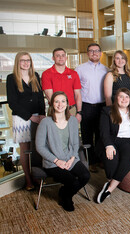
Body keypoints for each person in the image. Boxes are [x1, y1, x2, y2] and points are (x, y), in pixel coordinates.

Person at [35, 92, 90, 212]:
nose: (60, 104)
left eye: (63, 101)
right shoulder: (45, 122)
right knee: (72, 181)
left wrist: (71, 159)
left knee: (85, 176)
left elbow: (76, 143)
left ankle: (64, 193)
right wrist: (57, 161)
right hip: (52, 162)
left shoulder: (73, 121)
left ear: (67, 104)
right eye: (56, 101)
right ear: (51, 104)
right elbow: (39, 147)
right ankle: (67, 198)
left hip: (70, 158)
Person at [6, 52, 46, 191]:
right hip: (22, 118)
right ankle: (28, 179)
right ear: (17, 62)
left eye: (28, 60)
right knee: (25, 150)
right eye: (22, 60)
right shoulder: (11, 78)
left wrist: (42, 115)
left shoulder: (35, 76)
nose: (25, 63)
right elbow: (12, 103)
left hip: (37, 116)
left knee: (36, 148)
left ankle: (37, 176)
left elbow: (41, 98)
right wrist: (30, 116)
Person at [97, 88, 130, 204]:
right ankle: (111, 180)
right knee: (111, 160)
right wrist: (108, 145)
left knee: (128, 159)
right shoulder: (107, 111)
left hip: (128, 141)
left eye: (127, 97)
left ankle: (109, 189)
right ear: (116, 98)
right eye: (121, 97)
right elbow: (103, 131)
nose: (124, 99)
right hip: (112, 140)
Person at [75, 43, 108, 173]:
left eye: (97, 51)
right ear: (88, 53)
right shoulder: (80, 69)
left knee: (101, 135)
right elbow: (76, 90)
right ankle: (91, 162)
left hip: (102, 106)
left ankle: (100, 160)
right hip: (86, 106)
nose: (94, 53)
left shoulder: (106, 70)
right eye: (91, 51)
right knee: (87, 135)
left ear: (100, 53)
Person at [42, 48, 82, 122]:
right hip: (55, 109)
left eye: (63, 55)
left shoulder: (73, 74)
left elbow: (78, 95)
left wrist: (79, 112)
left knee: (71, 132)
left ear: (66, 58)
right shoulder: (46, 74)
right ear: (53, 58)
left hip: (71, 109)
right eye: (58, 56)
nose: (61, 58)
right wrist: (60, 108)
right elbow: (49, 95)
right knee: (54, 133)